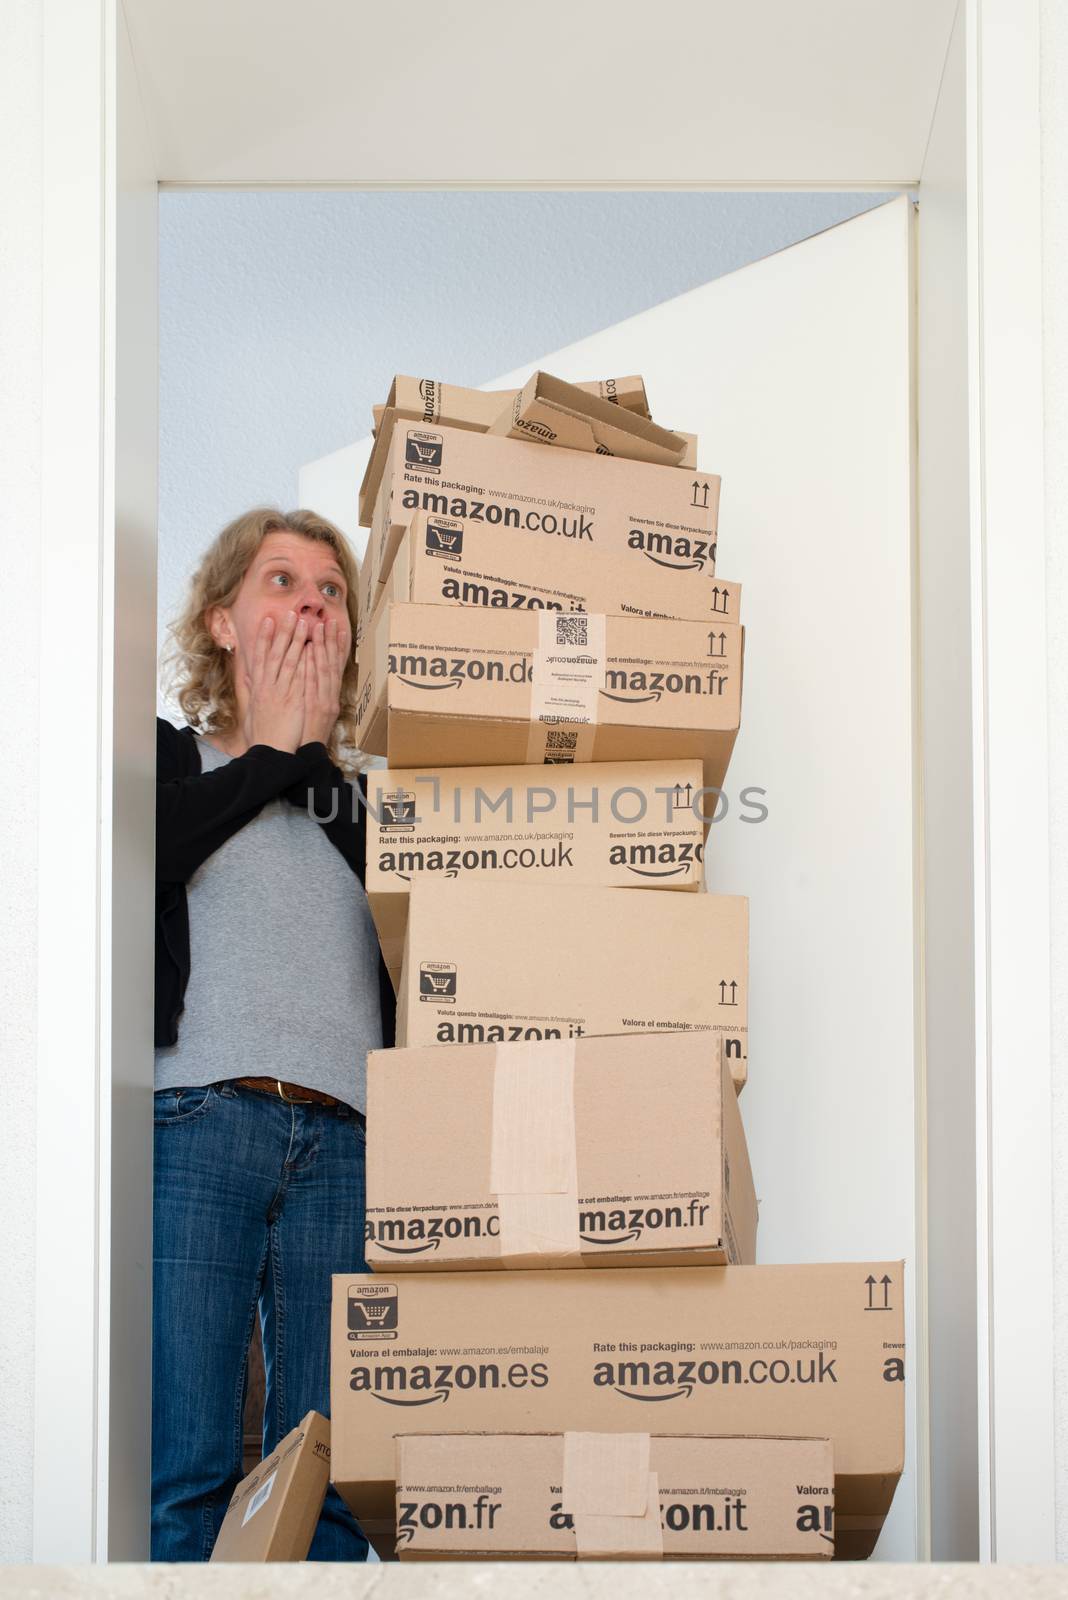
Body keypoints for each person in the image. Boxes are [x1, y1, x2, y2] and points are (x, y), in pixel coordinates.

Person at [152, 506, 393, 1561]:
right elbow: (147, 857)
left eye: (330, 591)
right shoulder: (168, 757)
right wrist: (274, 755)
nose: (309, 602)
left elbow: (412, 934)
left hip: (348, 1144)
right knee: (191, 1472)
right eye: (282, 582)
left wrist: (314, 761)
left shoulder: (361, 806)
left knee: (331, 1483)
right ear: (221, 620)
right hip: (200, 1120)